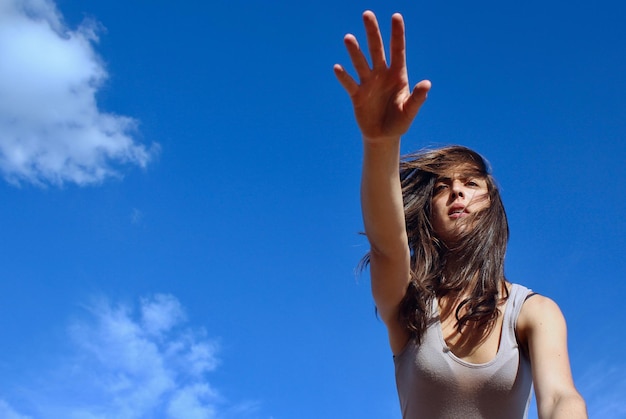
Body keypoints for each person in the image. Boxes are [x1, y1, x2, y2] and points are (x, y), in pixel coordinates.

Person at [334, 10, 587, 419]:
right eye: (442, 186)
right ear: (429, 212)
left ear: (492, 207)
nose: (457, 191)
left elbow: (561, 399)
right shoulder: (410, 304)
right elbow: (387, 246)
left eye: (471, 183)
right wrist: (380, 142)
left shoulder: (532, 311)